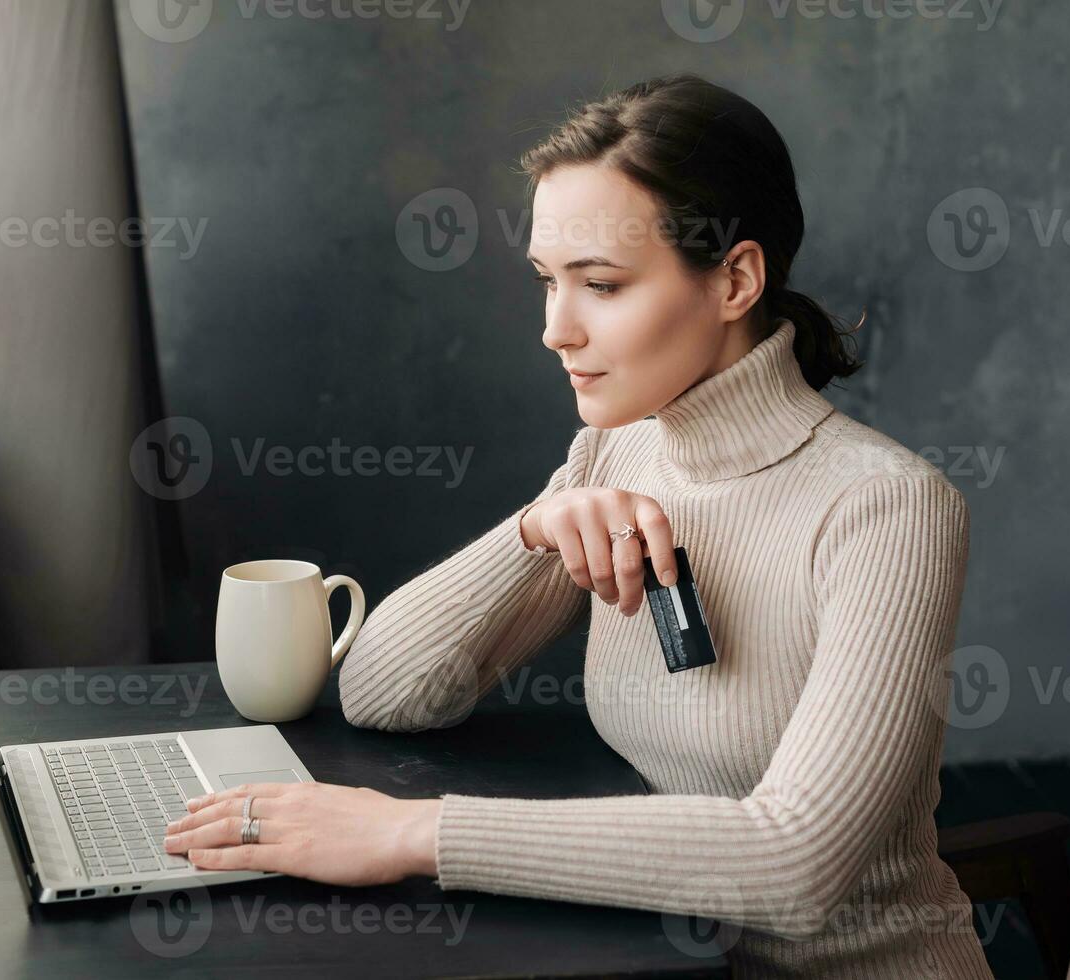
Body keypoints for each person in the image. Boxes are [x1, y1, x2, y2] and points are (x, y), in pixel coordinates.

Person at [163, 72, 993, 979]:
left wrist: (411, 832)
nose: (557, 329)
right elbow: (380, 695)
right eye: (546, 282)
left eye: (599, 284)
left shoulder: (886, 508)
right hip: (658, 959)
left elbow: (795, 863)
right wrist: (534, 529)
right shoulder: (617, 455)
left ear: (735, 280)